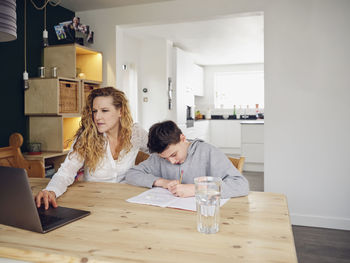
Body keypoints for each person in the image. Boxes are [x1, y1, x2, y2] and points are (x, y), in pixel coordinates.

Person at [35, 87, 148, 209]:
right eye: (94, 111)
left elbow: (161, 152)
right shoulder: (86, 137)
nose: (97, 117)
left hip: (127, 202)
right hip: (94, 202)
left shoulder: (136, 133)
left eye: (104, 110)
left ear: (120, 111)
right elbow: (66, 172)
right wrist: (51, 190)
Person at [125, 120, 249, 199]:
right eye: (165, 158)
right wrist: (162, 182)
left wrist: (197, 189)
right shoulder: (158, 158)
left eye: (173, 155)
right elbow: (131, 174)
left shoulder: (208, 152)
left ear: (183, 138)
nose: (171, 161)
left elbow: (241, 185)